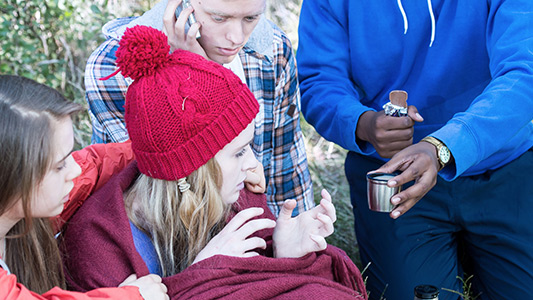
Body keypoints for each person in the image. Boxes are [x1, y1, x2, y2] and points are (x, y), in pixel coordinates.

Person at [61, 26, 367, 299]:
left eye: (248, 148)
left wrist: (283, 253)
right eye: (238, 153)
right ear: (190, 170)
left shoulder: (236, 195)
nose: (253, 166)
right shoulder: (98, 244)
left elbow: (274, 286)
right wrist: (204, 274)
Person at [297, 1, 533, 299]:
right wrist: (364, 124)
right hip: (393, 177)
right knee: (417, 294)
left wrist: (442, 148)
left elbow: (525, 72)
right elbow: (320, 81)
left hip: (502, 164)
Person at [84, 0, 313, 216]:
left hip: (261, 230)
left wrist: (297, 236)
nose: (237, 37)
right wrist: (198, 72)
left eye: (251, 17)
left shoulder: (272, 49)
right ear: (182, 5)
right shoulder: (114, 69)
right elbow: (158, 188)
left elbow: (286, 165)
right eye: (219, 18)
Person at [0, 75, 169, 299]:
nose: (74, 170)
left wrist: (160, 147)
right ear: (12, 174)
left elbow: (94, 165)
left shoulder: (27, 207)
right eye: (60, 166)